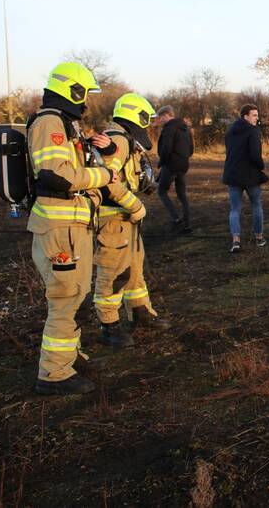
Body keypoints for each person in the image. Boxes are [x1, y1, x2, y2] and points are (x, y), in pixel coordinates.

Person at [27, 62, 116, 394]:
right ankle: (53, 373)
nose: (86, 102)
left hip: (71, 223)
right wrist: (104, 176)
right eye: (84, 94)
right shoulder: (50, 122)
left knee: (76, 293)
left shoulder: (63, 124)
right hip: (59, 225)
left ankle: (69, 354)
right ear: (72, 90)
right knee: (65, 297)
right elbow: (56, 175)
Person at [94, 93, 170, 349]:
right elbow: (106, 180)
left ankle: (140, 311)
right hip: (113, 219)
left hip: (125, 219)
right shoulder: (118, 141)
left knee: (134, 268)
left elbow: (128, 178)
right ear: (135, 116)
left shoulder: (124, 140)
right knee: (113, 273)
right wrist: (135, 205)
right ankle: (110, 325)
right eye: (145, 120)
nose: (147, 127)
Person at [222, 104, 267, 253]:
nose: (257, 118)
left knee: (235, 208)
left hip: (233, 174)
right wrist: (261, 166)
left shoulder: (230, 131)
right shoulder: (252, 132)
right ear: (245, 116)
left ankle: (236, 240)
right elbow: (255, 155)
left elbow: (229, 152)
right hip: (250, 175)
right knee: (256, 205)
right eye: (254, 115)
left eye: (256, 115)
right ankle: (259, 237)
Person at [155, 105, 193, 234]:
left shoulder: (169, 128)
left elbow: (166, 148)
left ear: (166, 115)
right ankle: (187, 224)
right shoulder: (185, 128)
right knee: (181, 194)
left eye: (161, 118)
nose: (160, 121)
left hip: (171, 165)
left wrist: (161, 162)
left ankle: (175, 218)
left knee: (161, 191)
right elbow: (191, 149)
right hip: (183, 165)